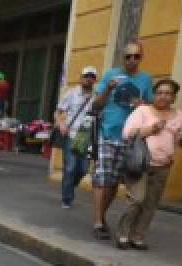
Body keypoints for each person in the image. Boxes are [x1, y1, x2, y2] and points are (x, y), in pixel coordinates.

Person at [116, 78, 182, 250]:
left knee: (151, 204)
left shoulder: (180, 116)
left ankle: (137, 237)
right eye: (160, 93)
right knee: (136, 200)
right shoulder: (143, 111)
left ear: (174, 97)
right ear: (154, 95)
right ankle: (123, 234)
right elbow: (127, 133)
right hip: (139, 163)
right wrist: (152, 129)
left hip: (163, 166)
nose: (163, 96)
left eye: (168, 93)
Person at [91, 41, 153, 240]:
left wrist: (143, 104)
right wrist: (108, 89)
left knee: (114, 182)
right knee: (103, 180)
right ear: (122, 57)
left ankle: (101, 217)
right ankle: (98, 221)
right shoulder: (110, 75)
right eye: (128, 56)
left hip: (131, 138)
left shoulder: (145, 79)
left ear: (141, 57)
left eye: (136, 56)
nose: (132, 60)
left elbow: (151, 106)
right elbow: (96, 105)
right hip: (108, 133)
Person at [55, 66, 98, 209]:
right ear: (81, 77)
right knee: (70, 168)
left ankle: (68, 185)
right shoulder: (72, 94)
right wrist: (61, 124)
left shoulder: (97, 96)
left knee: (84, 169)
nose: (88, 79)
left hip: (87, 138)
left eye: (92, 76)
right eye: (86, 76)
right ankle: (66, 198)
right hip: (72, 135)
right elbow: (58, 111)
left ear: (94, 79)